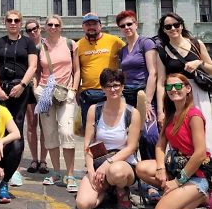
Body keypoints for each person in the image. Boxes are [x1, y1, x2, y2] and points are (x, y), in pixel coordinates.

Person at [136, 74, 211, 209]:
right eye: (169, 87)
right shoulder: (170, 115)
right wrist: (160, 168)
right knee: (141, 167)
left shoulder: (194, 115)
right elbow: (160, 145)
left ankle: (203, 195)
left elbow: (200, 153)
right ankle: (185, 196)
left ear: (188, 88)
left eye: (178, 86)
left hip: (197, 173)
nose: (173, 90)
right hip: (176, 167)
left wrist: (177, 182)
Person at [76, 69, 141, 209]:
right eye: (108, 86)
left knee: (116, 171)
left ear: (123, 86)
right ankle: (105, 193)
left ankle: (121, 190)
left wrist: (108, 163)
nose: (113, 89)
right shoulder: (95, 110)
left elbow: (131, 147)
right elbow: (88, 145)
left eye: (117, 85)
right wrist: (91, 171)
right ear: (103, 88)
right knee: (83, 205)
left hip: (122, 162)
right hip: (99, 158)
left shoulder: (132, 113)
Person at [0, 9, 38, 187]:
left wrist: (22, 85)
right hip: (2, 89)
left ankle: (14, 169)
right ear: (5, 22)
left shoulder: (28, 43)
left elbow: (33, 66)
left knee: (17, 126)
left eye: (16, 20)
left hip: (20, 88)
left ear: (20, 23)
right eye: (9, 20)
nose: (13, 23)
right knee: (0, 128)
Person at [34, 15, 80, 191]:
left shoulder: (70, 44)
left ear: (61, 27)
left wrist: (74, 90)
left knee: (66, 131)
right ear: (45, 27)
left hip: (65, 92)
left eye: (56, 25)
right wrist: (36, 89)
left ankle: (70, 174)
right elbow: (37, 71)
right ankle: (56, 172)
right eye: (50, 24)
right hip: (45, 92)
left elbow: (77, 70)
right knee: (50, 132)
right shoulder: (40, 46)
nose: (53, 27)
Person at [155, 12, 212, 152]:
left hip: (197, 92)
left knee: (205, 129)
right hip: (175, 94)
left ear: (181, 26)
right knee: (180, 131)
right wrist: (160, 111)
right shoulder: (162, 51)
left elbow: (211, 69)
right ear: (163, 30)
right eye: (168, 26)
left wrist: (199, 63)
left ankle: (206, 163)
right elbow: (161, 82)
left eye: (176, 25)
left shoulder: (196, 44)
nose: (173, 28)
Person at [116, 10, 158, 160]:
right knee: (130, 135)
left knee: (149, 135)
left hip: (144, 93)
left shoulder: (146, 43)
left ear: (136, 24)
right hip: (128, 96)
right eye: (122, 25)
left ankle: (151, 170)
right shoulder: (122, 51)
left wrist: (147, 101)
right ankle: (134, 171)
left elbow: (153, 73)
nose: (126, 27)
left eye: (129, 24)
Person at [77, 13, 125, 128]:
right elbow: (76, 70)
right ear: (83, 27)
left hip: (111, 92)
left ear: (100, 26)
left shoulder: (115, 41)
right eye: (88, 24)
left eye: (94, 24)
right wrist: (76, 91)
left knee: (113, 127)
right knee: (90, 130)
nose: (91, 27)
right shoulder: (78, 45)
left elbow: (129, 58)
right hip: (88, 95)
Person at [24, 19, 48, 175]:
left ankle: (44, 160)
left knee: (45, 126)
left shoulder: (47, 44)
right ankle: (34, 159)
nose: (33, 32)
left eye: (35, 28)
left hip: (45, 88)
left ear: (40, 29)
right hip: (29, 89)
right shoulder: (25, 45)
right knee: (32, 124)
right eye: (29, 30)